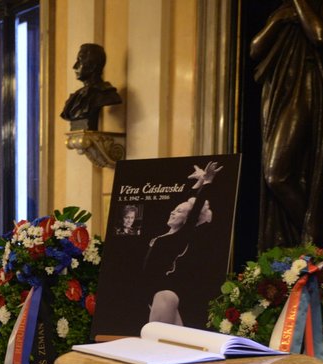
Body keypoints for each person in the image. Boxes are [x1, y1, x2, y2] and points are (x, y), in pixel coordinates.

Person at [250, 0, 323, 250]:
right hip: (277, 91)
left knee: (277, 174)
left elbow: (320, 35)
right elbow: (255, 50)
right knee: (288, 176)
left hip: (306, 88)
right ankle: (308, 243)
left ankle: (319, 239)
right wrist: (278, 20)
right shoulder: (282, 10)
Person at [140, 161, 220, 326]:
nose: (172, 211)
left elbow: (194, 209)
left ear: (187, 219)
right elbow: (188, 203)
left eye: (179, 211)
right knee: (176, 345)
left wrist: (207, 182)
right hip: (154, 296)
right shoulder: (167, 235)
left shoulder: (181, 236)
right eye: (174, 209)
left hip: (163, 294)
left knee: (160, 346)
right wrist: (198, 183)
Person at [59, 43, 122, 131]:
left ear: (93, 66)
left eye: (79, 61)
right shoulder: (75, 97)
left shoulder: (106, 94)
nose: (74, 66)